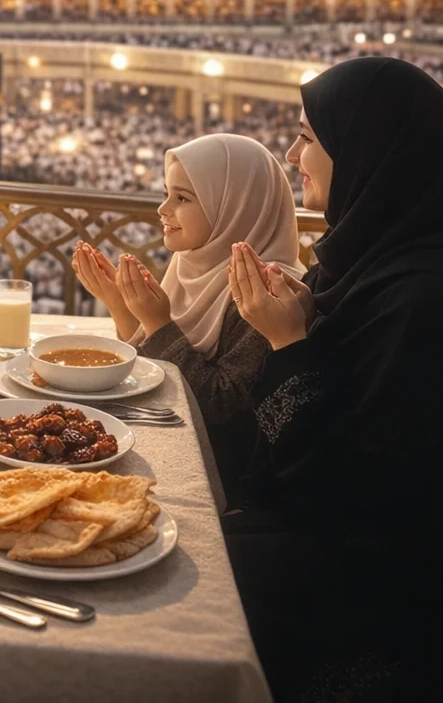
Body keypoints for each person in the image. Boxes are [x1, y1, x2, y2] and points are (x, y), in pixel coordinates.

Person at [225, 57, 443, 698]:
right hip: (356, 551)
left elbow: (347, 496)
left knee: (177, 579)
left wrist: (289, 342)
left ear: (369, 155)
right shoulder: (376, 272)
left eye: (308, 139)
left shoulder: (430, 303)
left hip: (410, 611)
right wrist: (311, 322)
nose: (293, 155)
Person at [72, 133, 302, 504]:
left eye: (181, 198)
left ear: (234, 205)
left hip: (220, 482)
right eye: (167, 193)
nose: (163, 209)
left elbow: (221, 408)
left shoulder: (267, 290)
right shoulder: (195, 263)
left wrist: (159, 323)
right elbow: (160, 367)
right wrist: (119, 303)